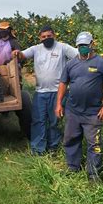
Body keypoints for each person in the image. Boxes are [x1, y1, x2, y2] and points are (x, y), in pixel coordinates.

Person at [55, 31, 103, 182]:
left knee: (94, 143)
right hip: (73, 110)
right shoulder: (71, 64)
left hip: (93, 113)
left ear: (92, 45)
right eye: (80, 46)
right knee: (71, 139)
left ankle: (93, 173)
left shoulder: (102, 63)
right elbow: (63, 83)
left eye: (85, 45)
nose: (83, 48)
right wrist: (59, 104)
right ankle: (72, 167)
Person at [13, 25, 78, 156]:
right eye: (44, 37)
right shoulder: (36, 49)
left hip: (58, 91)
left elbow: (78, 55)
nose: (46, 38)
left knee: (54, 120)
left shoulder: (62, 47)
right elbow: (22, 55)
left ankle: (53, 147)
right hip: (41, 92)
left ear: (54, 35)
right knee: (38, 120)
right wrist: (16, 53)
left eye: (49, 36)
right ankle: (38, 149)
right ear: (40, 38)